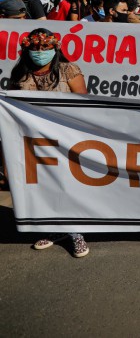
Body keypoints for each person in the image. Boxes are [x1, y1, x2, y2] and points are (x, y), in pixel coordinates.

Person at [10, 28, 89, 257]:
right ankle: (55, 228)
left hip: (66, 137)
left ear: (55, 48)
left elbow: (83, 103)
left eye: (45, 47)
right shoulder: (21, 73)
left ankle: (76, 231)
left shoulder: (68, 70)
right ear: (27, 48)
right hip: (34, 139)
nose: (40, 51)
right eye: (35, 47)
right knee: (45, 185)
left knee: (67, 182)